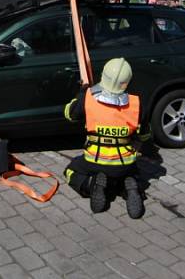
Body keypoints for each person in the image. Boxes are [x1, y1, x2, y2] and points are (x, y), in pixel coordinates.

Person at [63, 58, 150, 219]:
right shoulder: (137, 103)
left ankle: (91, 184)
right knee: (129, 174)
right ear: (128, 81)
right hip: (125, 163)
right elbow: (145, 134)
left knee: (70, 171)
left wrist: (81, 93)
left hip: (93, 160)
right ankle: (130, 186)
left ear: (103, 75)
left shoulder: (88, 97)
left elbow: (69, 114)